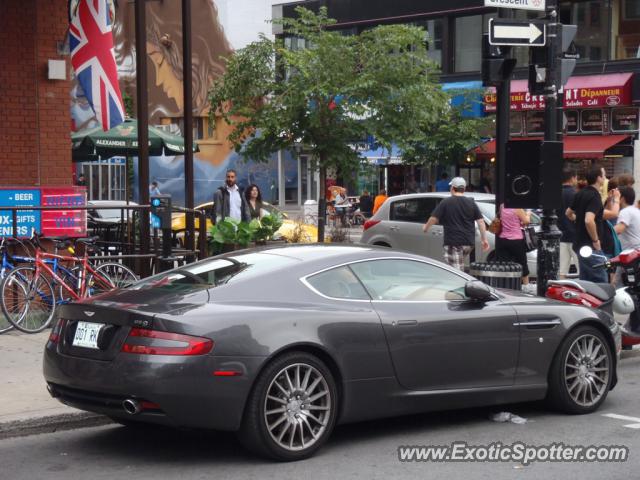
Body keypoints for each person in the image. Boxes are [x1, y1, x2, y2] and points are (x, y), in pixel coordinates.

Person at [423, 177, 489, 271]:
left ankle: (461, 284)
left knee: (456, 271)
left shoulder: (446, 202)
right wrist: (484, 239)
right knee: (456, 265)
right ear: (464, 189)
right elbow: (481, 222)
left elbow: (434, 218)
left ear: (452, 188)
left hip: (454, 243)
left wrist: (426, 227)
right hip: (468, 243)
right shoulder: (471, 203)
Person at [566, 166, 608, 283]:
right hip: (590, 245)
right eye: (603, 175)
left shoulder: (580, 193)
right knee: (601, 280)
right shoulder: (595, 196)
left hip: (580, 243)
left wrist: (577, 220)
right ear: (598, 178)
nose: (605, 178)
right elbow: (589, 220)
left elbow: (568, 213)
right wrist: (595, 240)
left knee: (586, 280)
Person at [496, 206, 531, 285]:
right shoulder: (518, 208)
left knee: (504, 264)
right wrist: (528, 214)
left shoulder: (502, 206)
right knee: (522, 263)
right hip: (516, 240)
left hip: (503, 239)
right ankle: (526, 285)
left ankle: (505, 285)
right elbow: (526, 221)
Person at [558, 168, 579, 279]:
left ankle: (560, 291)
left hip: (560, 235)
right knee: (580, 267)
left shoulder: (555, 195)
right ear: (572, 178)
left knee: (562, 270)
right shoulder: (576, 195)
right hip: (575, 235)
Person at [615, 187, 640, 251]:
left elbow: (618, 230)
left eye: (617, 196)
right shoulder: (636, 210)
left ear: (622, 199)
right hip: (636, 250)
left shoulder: (625, 212)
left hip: (630, 252)